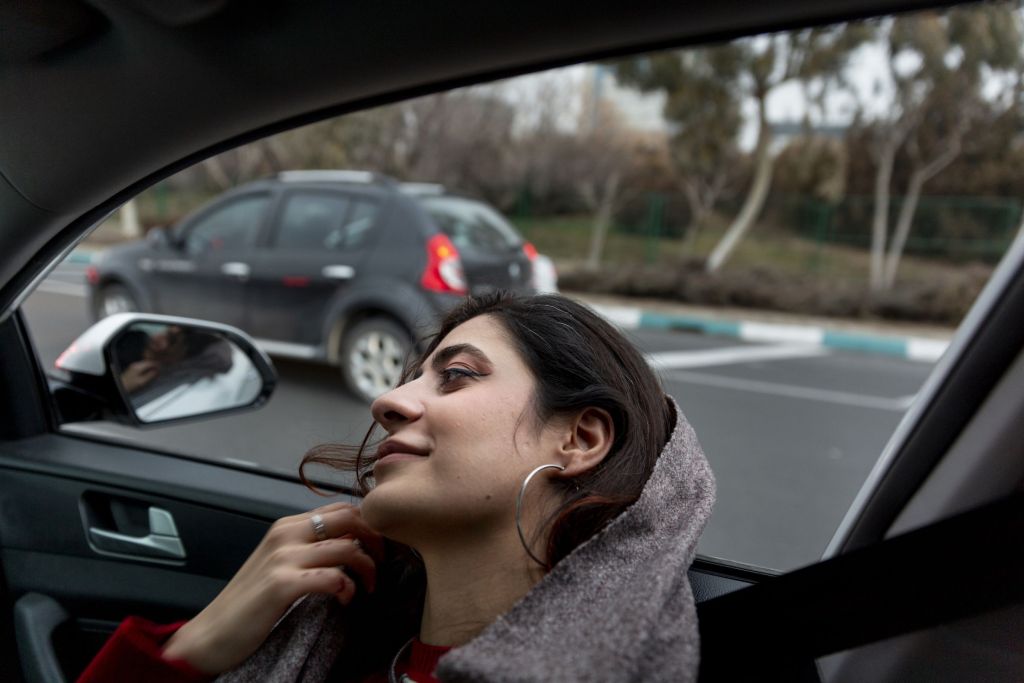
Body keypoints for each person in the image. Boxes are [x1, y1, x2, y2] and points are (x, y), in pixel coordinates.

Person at [79, 292, 716, 682]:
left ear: (578, 439)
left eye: (456, 375)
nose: (387, 401)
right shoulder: (342, 651)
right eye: (411, 377)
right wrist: (192, 646)